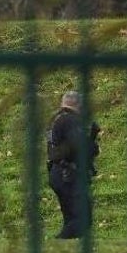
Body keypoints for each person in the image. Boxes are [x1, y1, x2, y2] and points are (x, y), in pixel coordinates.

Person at [46, 91, 101, 239]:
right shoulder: (69, 120)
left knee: (71, 220)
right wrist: (93, 145)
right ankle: (56, 245)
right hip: (69, 175)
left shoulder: (55, 119)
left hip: (57, 173)